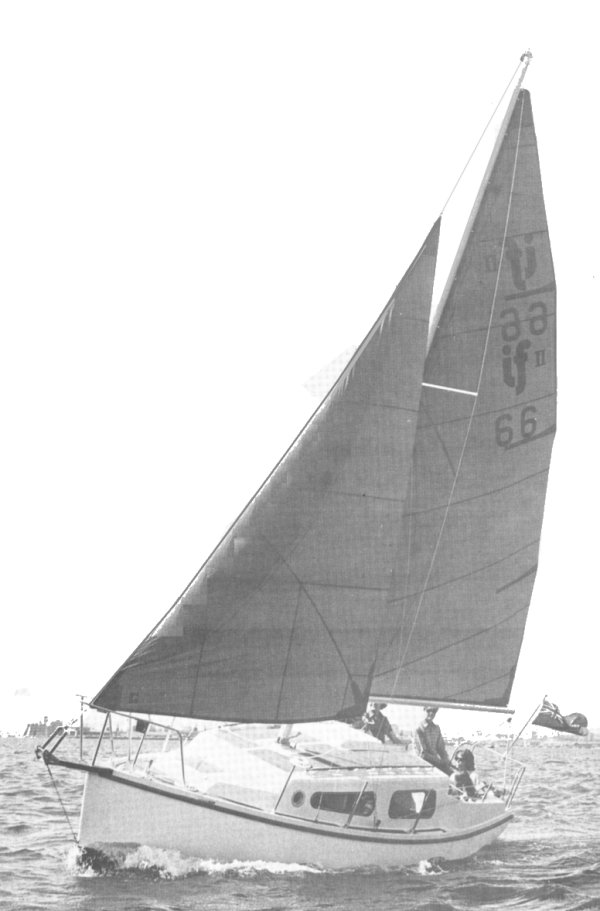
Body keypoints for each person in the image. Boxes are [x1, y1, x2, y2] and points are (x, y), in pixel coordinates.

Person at [413, 706, 453, 774]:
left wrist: (446, 760)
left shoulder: (436, 728)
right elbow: (423, 754)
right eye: (429, 710)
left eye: (434, 711)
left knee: (455, 776)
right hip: (422, 765)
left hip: (436, 763)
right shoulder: (418, 729)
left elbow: (441, 749)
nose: (431, 713)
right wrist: (441, 762)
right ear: (423, 710)